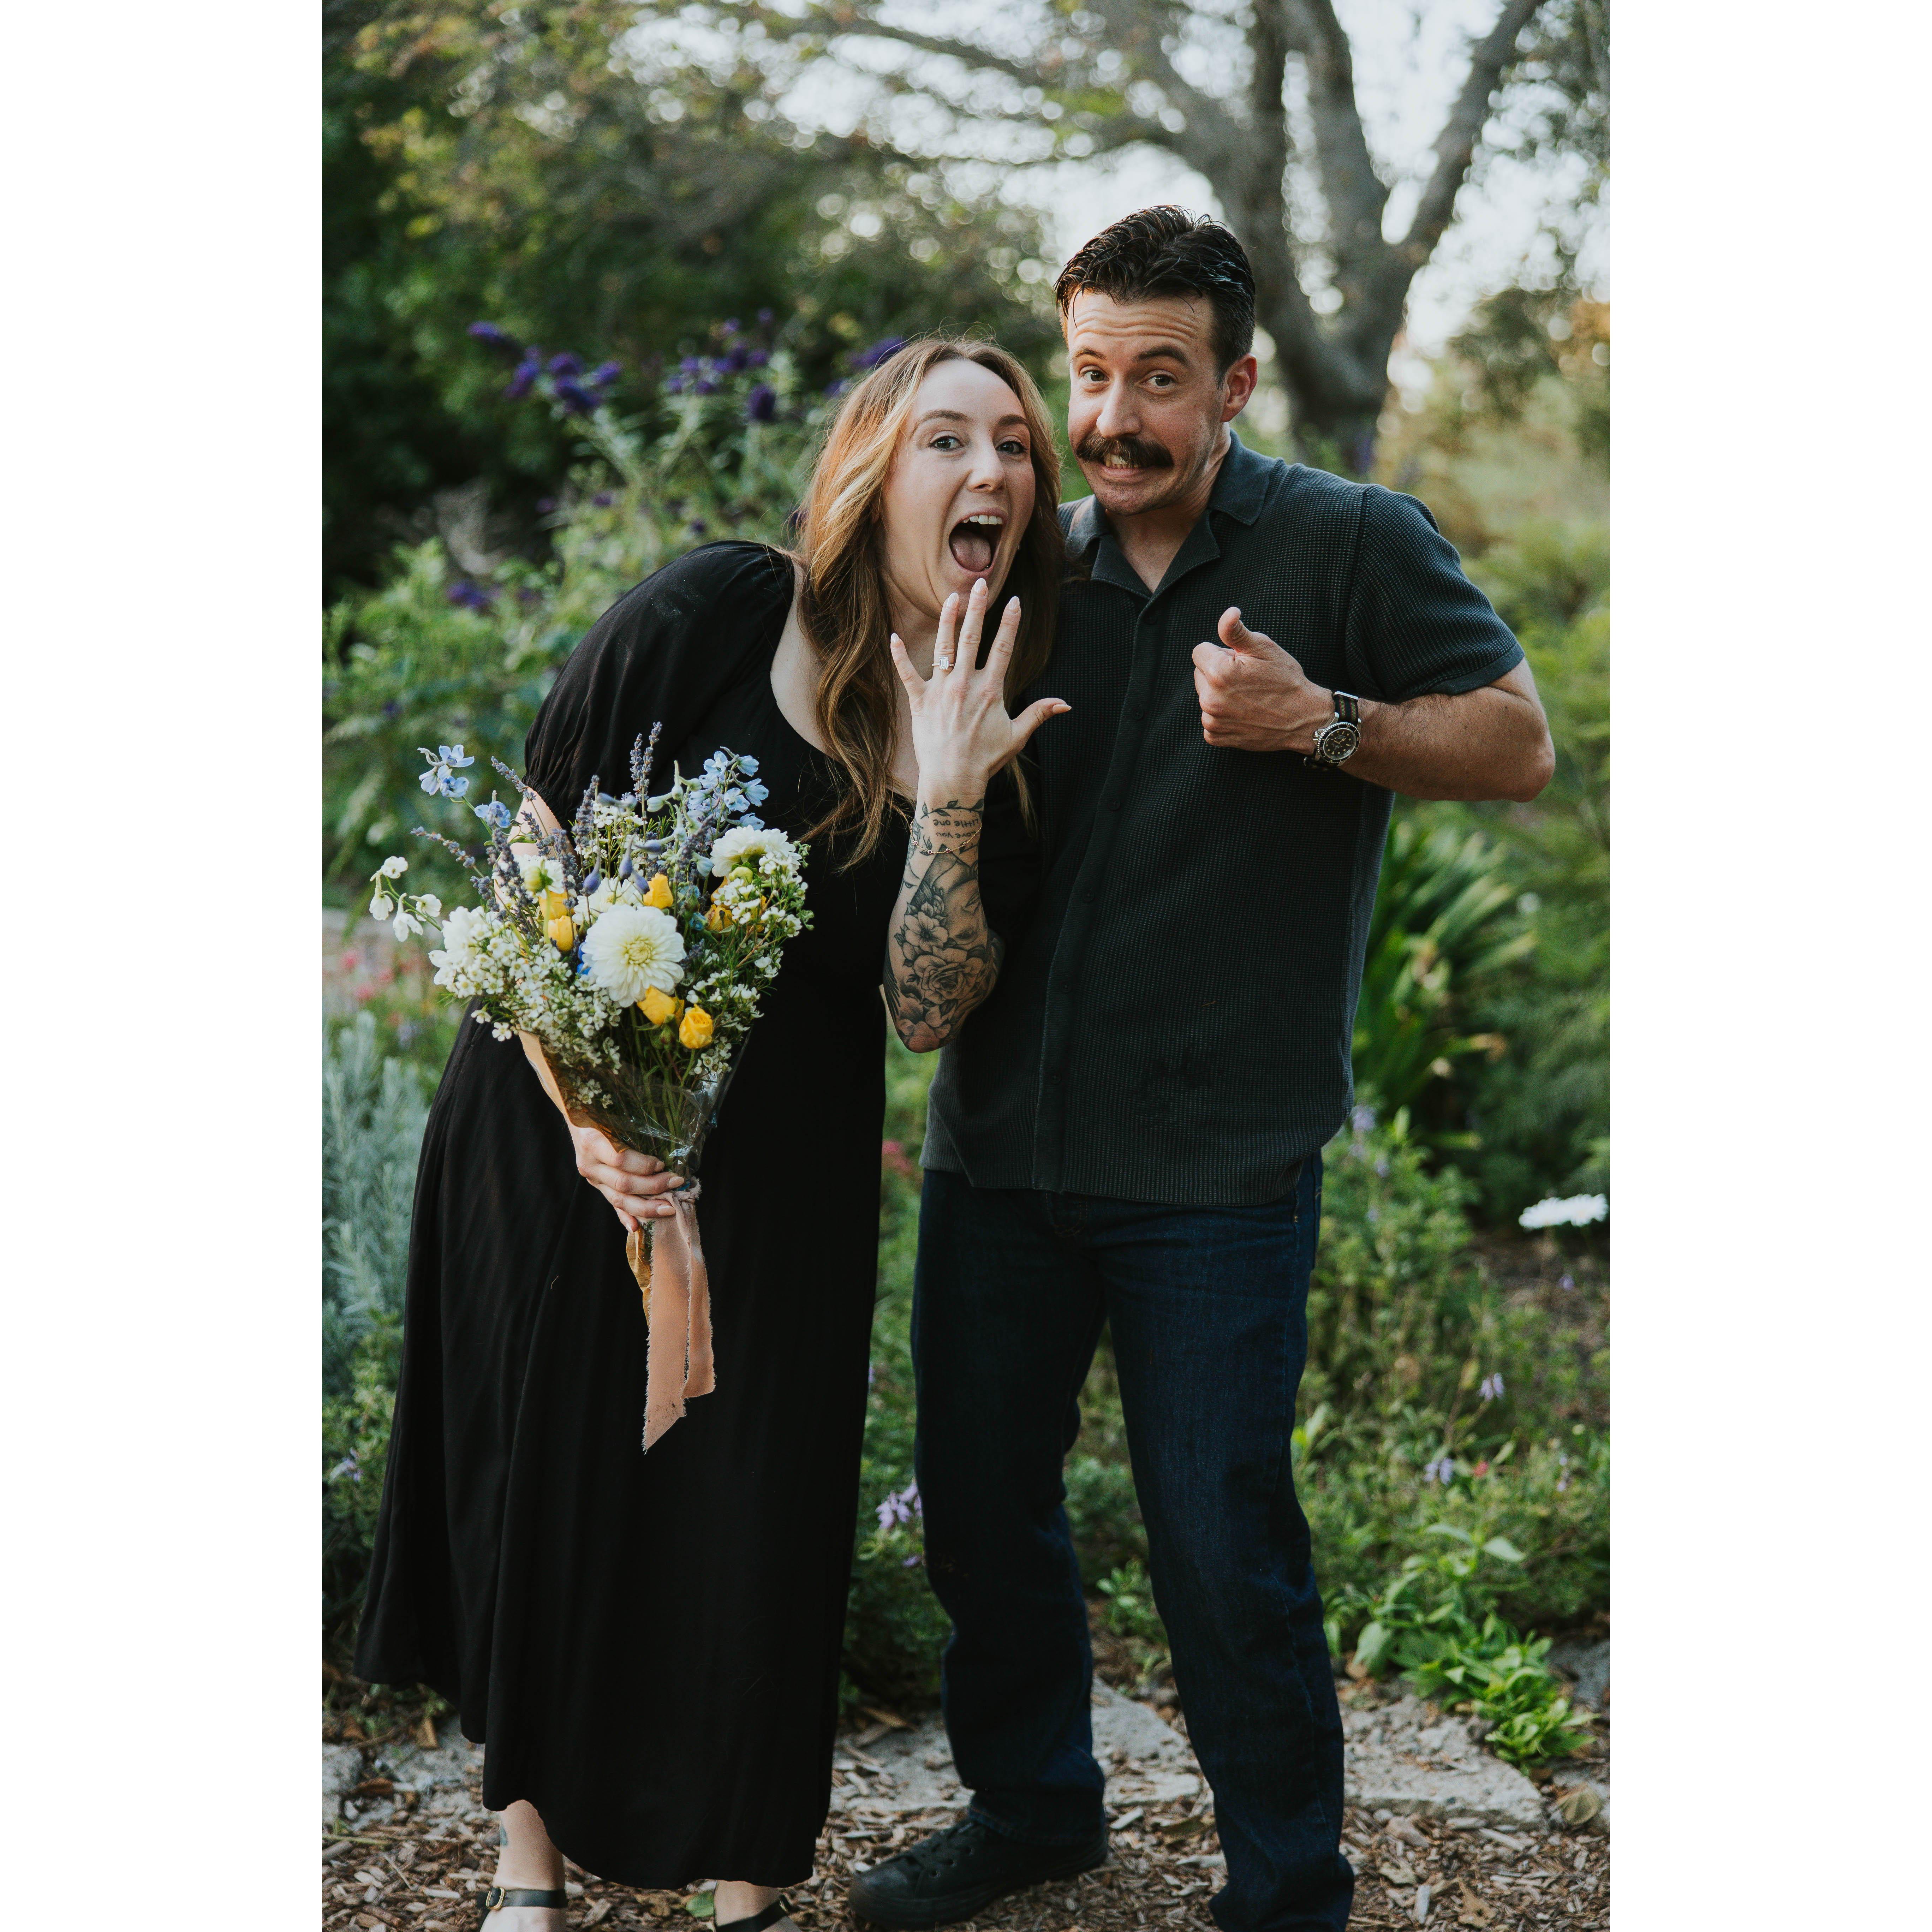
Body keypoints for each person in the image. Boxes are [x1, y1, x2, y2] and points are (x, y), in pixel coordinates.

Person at [849, 210, 1556, 1932]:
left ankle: (1286, 1887)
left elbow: (1518, 744)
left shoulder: (1351, 543)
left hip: (1220, 1168)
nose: (1113, 418)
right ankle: (1034, 1813)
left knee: (1224, 1544)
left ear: (1235, 385)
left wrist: (1324, 723)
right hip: (1002, 1149)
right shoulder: (1024, 571)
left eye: (1159, 378)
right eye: (1090, 374)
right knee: (983, 1522)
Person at [355, 336, 1072, 1932]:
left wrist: (954, 794)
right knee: (554, 1471)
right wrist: (591, 1119)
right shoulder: (719, 609)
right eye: (948, 438)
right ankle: (528, 1863)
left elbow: (929, 1007)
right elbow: (534, 858)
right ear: (872, 471)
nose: (993, 470)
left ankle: (746, 1884)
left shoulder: (1006, 715)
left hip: (785, 1168)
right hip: (556, 1124)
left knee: (762, 1507)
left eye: (1017, 446)